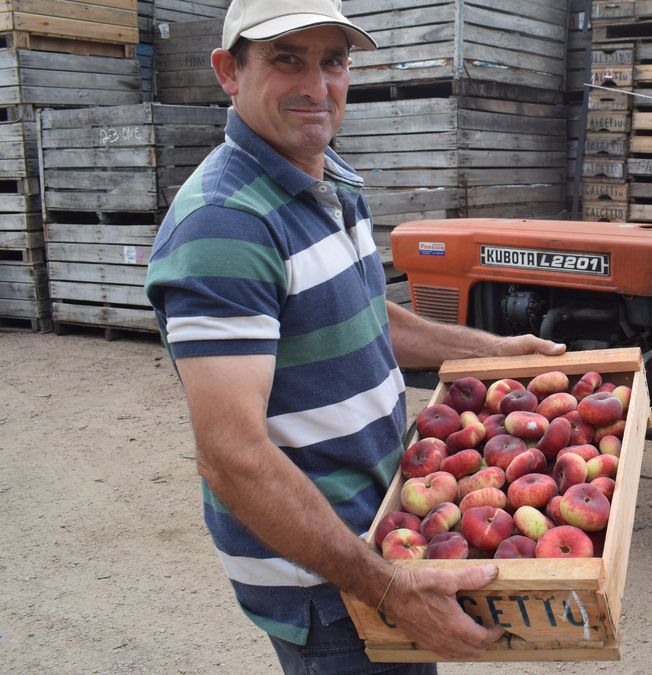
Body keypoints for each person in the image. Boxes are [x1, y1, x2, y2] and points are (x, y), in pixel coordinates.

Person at [143, 0, 565, 670]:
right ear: (229, 71)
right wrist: (387, 586)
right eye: (287, 60)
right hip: (327, 578)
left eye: (333, 61)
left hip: (384, 532)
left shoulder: (330, 180)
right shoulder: (226, 225)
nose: (317, 86)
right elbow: (230, 455)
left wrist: (491, 350)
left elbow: (367, 316)